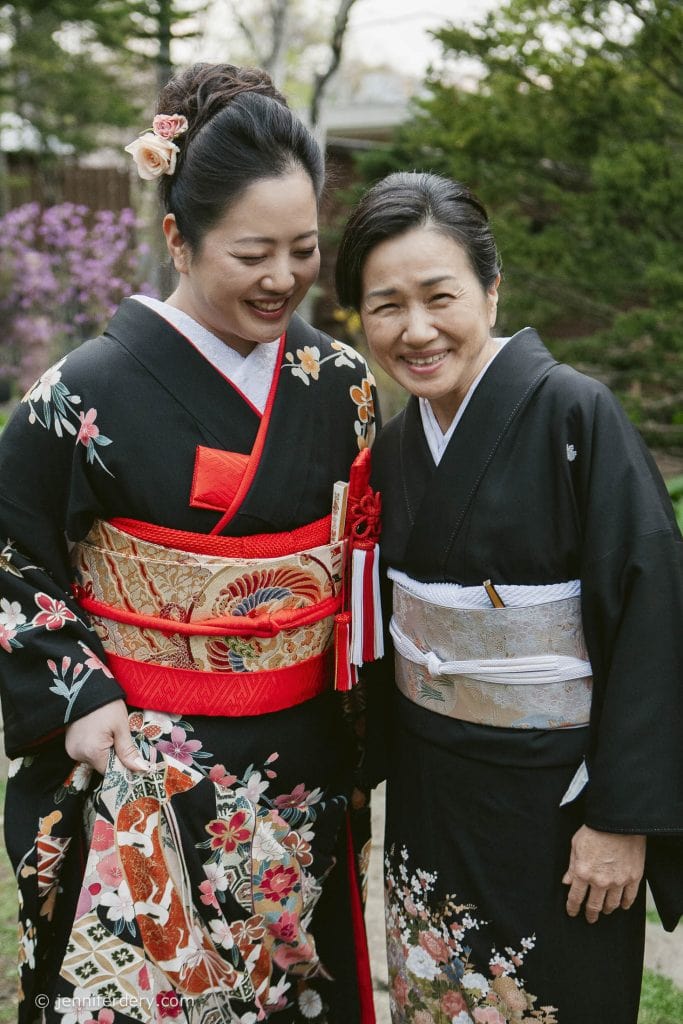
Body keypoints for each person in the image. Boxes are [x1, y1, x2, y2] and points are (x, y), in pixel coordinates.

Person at [0, 63, 380, 1024]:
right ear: (178, 235)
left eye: (303, 250)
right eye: (253, 253)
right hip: (142, 754)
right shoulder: (81, 390)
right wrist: (75, 693)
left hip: (302, 764)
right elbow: (8, 550)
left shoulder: (339, 382)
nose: (283, 277)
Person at [335, 171, 683, 1024]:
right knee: (436, 996)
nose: (414, 331)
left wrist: (621, 820)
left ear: (491, 289)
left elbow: (654, 618)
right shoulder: (390, 449)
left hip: (559, 814)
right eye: (385, 306)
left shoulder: (576, 415)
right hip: (429, 794)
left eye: (438, 296)